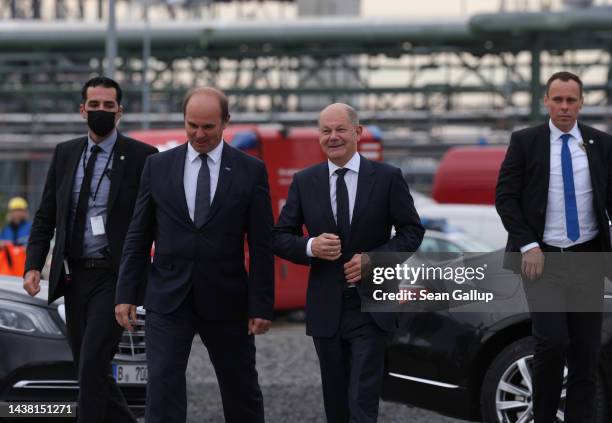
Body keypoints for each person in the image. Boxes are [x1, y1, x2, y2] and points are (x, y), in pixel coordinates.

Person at [115, 87, 274, 423]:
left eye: (208, 127)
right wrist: (126, 293)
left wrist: (261, 305)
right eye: (192, 126)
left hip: (228, 300)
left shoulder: (250, 171)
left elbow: (261, 245)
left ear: (226, 122)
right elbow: (138, 234)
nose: (199, 134)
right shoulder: (157, 167)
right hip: (168, 299)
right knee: (162, 391)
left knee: (241, 390)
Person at [272, 103, 424, 423]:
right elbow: (279, 236)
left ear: (357, 133)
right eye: (325, 131)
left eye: (340, 129)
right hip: (325, 310)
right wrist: (311, 246)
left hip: (371, 309)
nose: (333, 137)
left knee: (362, 401)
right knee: (336, 404)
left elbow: (412, 231)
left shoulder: (387, 177)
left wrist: (375, 260)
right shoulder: (305, 181)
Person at [23, 76, 158, 423]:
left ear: (120, 112)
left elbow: (154, 221)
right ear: (82, 110)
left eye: (108, 106)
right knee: (89, 367)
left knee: (93, 362)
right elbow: (46, 215)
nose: (101, 111)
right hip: (73, 277)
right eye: (94, 105)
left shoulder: (143, 157)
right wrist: (33, 265)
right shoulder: (66, 153)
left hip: (115, 277)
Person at [496, 71, 612, 422]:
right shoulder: (525, 142)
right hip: (541, 259)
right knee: (552, 343)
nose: (564, 106)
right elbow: (505, 198)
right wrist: (528, 244)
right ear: (546, 101)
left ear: (581, 102)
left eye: (571, 100)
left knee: (587, 355)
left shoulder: (601, 144)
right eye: (557, 99)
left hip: (587, 259)